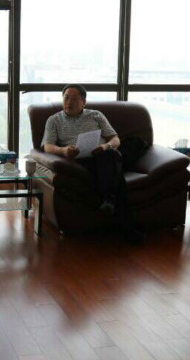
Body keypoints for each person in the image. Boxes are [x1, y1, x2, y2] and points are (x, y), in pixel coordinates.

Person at [41, 84, 144, 242]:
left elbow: (115, 139)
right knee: (115, 167)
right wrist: (63, 150)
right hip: (79, 161)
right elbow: (47, 146)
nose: (69, 102)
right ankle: (116, 207)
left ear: (84, 102)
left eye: (74, 98)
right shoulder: (54, 120)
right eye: (66, 98)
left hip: (102, 154)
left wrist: (105, 146)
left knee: (111, 155)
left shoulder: (96, 115)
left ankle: (111, 202)